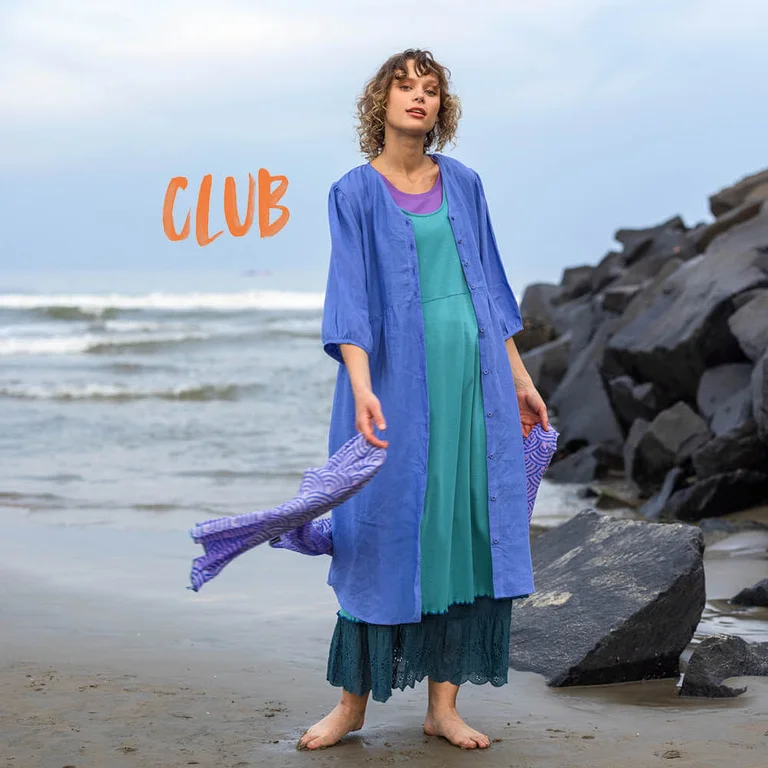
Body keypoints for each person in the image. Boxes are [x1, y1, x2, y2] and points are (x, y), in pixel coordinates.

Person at [298, 48, 549, 751]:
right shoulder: (351, 193)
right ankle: (351, 706)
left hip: (475, 380)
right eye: (404, 86)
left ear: (443, 108)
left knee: (462, 531)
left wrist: (521, 380)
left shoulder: (464, 183)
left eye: (431, 89)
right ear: (379, 103)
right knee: (381, 532)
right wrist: (360, 387)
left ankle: (444, 706)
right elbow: (349, 296)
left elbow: (491, 292)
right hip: (392, 386)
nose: (418, 97)